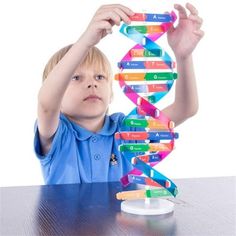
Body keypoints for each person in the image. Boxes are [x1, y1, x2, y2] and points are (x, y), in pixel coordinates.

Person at [34, 3, 204, 184]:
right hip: (65, 214)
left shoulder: (128, 130)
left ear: (111, 93)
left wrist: (183, 57)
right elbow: (46, 104)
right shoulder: (58, 135)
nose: (92, 83)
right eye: (76, 78)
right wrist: (86, 41)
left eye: (99, 77)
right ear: (58, 93)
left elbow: (186, 108)